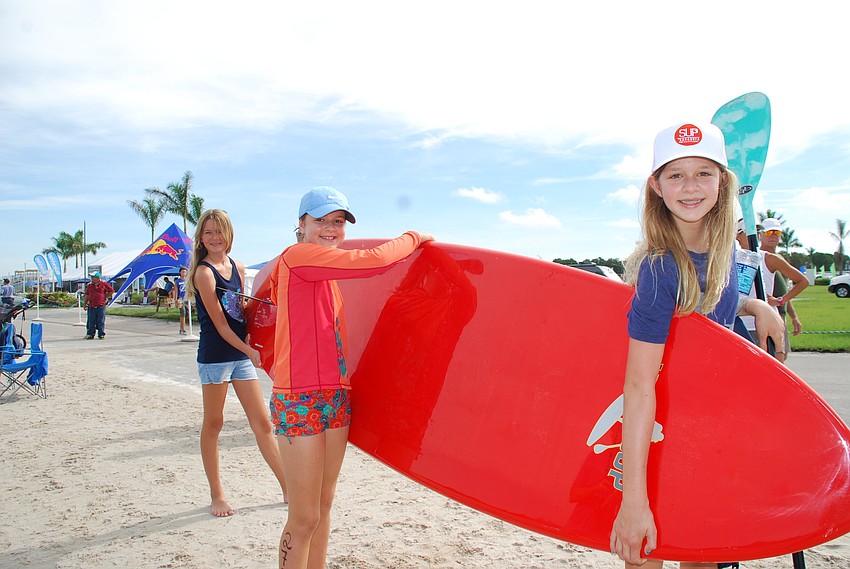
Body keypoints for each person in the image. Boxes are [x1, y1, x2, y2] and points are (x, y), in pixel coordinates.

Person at [610, 122, 785, 569]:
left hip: (712, 436)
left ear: (723, 181)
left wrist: (755, 307)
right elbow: (638, 386)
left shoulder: (723, 255)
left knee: (704, 557)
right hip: (660, 442)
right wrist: (633, 503)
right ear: (657, 186)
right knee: (647, 553)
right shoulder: (658, 269)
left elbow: (706, 308)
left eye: (704, 173)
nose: (691, 186)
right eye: (676, 175)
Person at [268, 186, 433, 569]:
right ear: (301, 224)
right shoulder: (296, 257)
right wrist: (415, 236)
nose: (331, 228)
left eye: (338, 222)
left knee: (324, 506)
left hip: (336, 398)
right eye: (321, 220)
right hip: (299, 399)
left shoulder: (325, 274)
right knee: (304, 516)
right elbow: (375, 261)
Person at [187, 209, 288, 517]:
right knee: (214, 424)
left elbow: (239, 311)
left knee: (263, 424)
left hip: (240, 353)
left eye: (219, 232)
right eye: (208, 233)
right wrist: (250, 350)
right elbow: (219, 325)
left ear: (229, 235)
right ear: (201, 239)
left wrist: (268, 309)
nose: (214, 238)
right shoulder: (204, 273)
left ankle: (288, 487)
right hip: (216, 357)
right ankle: (217, 496)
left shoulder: (237, 266)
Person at [735, 218, 808, 363]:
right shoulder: (728, 259)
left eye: (756, 232)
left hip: (768, 324)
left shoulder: (769, 258)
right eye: (748, 231)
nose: (752, 235)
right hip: (741, 324)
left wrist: (781, 301)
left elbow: (802, 281)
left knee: (774, 370)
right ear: (737, 235)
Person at [759, 217, 806, 359]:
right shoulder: (759, 257)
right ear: (760, 235)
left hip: (780, 315)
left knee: (781, 356)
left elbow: (785, 291)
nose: (773, 236)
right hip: (764, 316)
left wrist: (793, 316)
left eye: (776, 233)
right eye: (769, 233)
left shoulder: (779, 259)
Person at [83, 272, 115, 340]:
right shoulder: (89, 285)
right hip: (91, 306)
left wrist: (105, 297)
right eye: (91, 277)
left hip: (100, 306)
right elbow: (87, 295)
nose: (92, 279)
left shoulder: (104, 284)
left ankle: (101, 334)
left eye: (93, 277)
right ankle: (90, 334)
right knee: (91, 321)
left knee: (100, 320)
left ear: (97, 278)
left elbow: (111, 291)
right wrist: (84, 304)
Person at [174, 267, 189, 335]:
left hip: (187, 299)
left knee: (187, 312)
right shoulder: (177, 281)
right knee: (183, 313)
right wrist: (175, 300)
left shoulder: (188, 280)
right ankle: (182, 329)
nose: (184, 273)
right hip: (180, 299)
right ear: (180, 272)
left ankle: (183, 327)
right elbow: (176, 291)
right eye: (183, 272)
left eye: (185, 272)